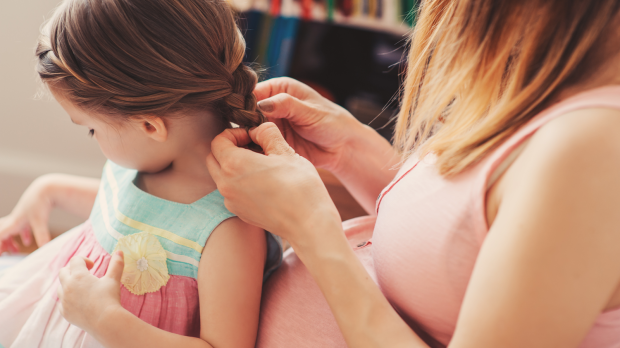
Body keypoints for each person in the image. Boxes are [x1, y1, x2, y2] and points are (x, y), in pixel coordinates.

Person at [52, 0, 620, 347]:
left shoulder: (593, 148)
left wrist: (313, 232)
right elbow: (468, 239)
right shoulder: (548, 87)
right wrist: (356, 152)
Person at [0, 0, 283, 347]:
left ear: (150, 125)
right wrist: (48, 191)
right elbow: (131, 215)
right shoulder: (143, 160)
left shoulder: (230, 227)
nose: (94, 140)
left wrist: (106, 321)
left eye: (92, 130)